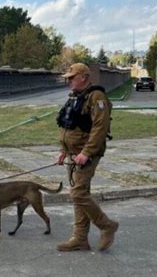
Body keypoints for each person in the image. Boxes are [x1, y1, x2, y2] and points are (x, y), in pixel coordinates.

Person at [55, 63, 118, 251]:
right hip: (74, 154)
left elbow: (100, 128)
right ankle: (80, 238)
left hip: (86, 154)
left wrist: (86, 153)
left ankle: (107, 225)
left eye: (72, 77)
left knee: (78, 193)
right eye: (68, 77)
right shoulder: (75, 96)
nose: (68, 81)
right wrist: (63, 150)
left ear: (84, 77)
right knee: (79, 195)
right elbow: (68, 125)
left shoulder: (97, 97)